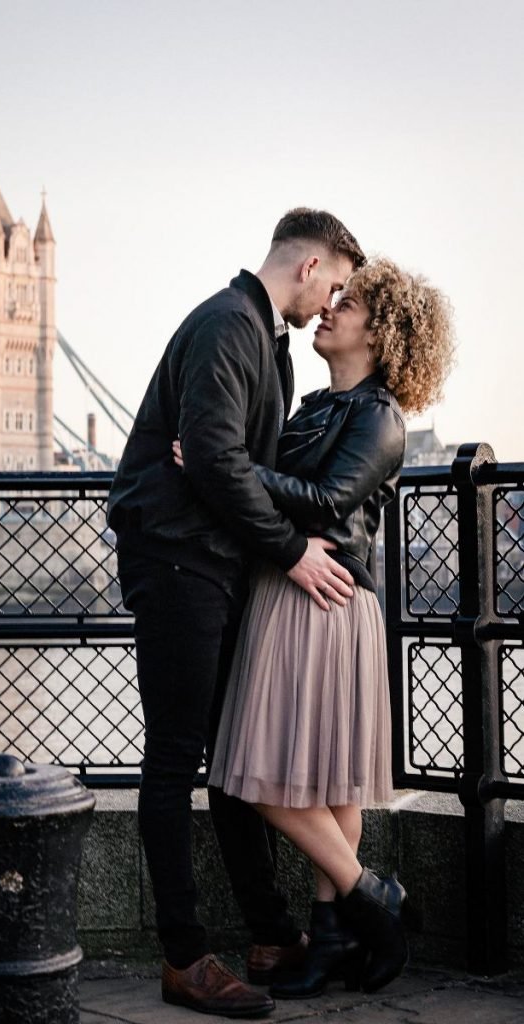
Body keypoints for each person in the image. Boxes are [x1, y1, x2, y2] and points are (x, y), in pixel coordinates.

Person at [107, 208, 366, 1018]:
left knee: (228, 758)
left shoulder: (261, 338)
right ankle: (184, 959)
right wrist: (291, 552)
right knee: (175, 757)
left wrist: (268, 529)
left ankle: (270, 936)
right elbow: (218, 463)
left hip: (212, 562)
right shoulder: (227, 325)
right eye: (335, 285)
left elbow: (232, 465)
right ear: (309, 265)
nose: (330, 303)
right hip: (177, 559)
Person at [198, 256, 455, 999]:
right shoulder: (312, 406)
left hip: (330, 598)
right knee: (317, 775)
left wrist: (230, 464)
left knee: (262, 773)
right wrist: (241, 471)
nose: (330, 308)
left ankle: (360, 903)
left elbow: (323, 500)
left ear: (381, 334)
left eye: (350, 304)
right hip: (285, 586)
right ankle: (349, 920)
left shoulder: (380, 417)